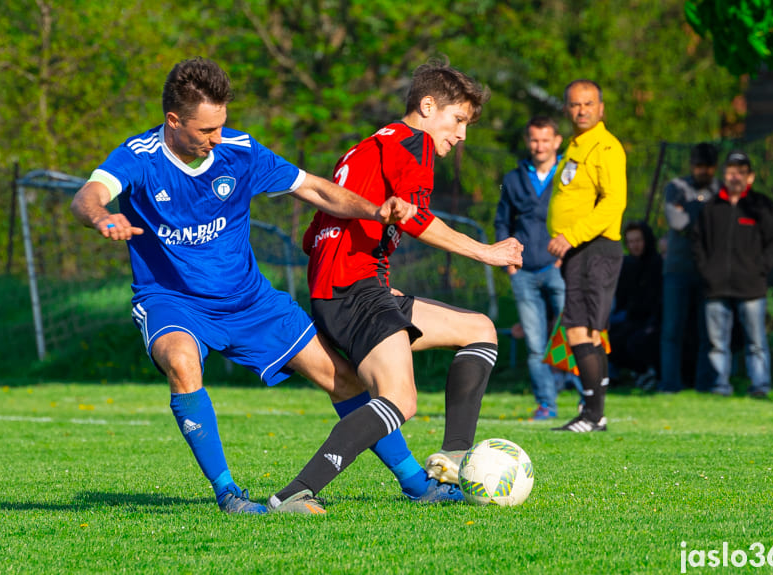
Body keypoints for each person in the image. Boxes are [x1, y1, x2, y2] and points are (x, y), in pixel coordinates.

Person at [69, 57, 461, 515]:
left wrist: (375, 210)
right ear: (173, 121)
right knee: (180, 361)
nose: (216, 139)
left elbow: (315, 189)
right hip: (172, 301)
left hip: (250, 301)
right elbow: (88, 195)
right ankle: (229, 495)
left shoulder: (240, 150)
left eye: (221, 126)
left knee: (342, 378)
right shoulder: (139, 157)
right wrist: (101, 217)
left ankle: (417, 483)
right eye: (204, 131)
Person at [266, 60, 524, 513]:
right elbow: (415, 217)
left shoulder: (365, 148)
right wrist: (486, 251)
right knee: (400, 400)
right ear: (427, 107)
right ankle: (294, 494)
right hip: (354, 289)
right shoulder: (414, 143)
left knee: (480, 330)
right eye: (458, 120)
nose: (462, 134)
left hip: (350, 288)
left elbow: (313, 236)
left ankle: (453, 458)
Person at [546, 79, 626, 432]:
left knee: (586, 332)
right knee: (581, 331)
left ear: (601, 108)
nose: (581, 110)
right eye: (575, 104)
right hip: (579, 252)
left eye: (588, 104)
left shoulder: (605, 147)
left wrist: (572, 238)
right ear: (567, 108)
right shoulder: (577, 146)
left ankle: (594, 414)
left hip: (596, 249)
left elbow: (614, 203)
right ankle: (593, 412)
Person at [494, 116, 574, 421]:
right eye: (534, 140)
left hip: (559, 268)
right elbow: (502, 221)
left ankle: (586, 398)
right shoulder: (513, 179)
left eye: (545, 139)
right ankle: (547, 404)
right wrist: (509, 263)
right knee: (536, 343)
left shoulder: (569, 176)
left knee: (572, 334)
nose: (539, 146)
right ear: (529, 142)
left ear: (556, 142)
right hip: (524, 273)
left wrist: (567, 256)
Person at [691, 151, 773, 397]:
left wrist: (760, 268)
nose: (735, 177)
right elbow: (697, 242)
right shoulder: (711, 207)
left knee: (756, 342)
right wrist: (707, 270)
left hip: (751, 286)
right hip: (716, 286)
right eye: (731, 171)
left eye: (741, 172)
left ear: (750, 177)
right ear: (724, 175)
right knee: (717, 343)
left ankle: (760, 386)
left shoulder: (761, 206)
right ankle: (720, 385)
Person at [659, 143, 719, 393]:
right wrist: (703, 209)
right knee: (672, 329)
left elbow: (720, 227)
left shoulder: (721, 190)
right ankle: (669, 383)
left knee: (710, 332)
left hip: (709, 270)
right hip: (678, 269)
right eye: (698, 166)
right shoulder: (676, 187)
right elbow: (677, 222)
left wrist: (690, 209)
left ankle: (706, 384)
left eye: (706, 167)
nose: (701, 171)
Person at [608, 221, 662, 388]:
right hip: (630, 319)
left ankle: (648, 373)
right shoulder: (627, 266)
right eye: (630, 241)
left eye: (638, 240)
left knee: (636, 341)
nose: (635, 245)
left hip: (651, 321)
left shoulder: (657, 265)